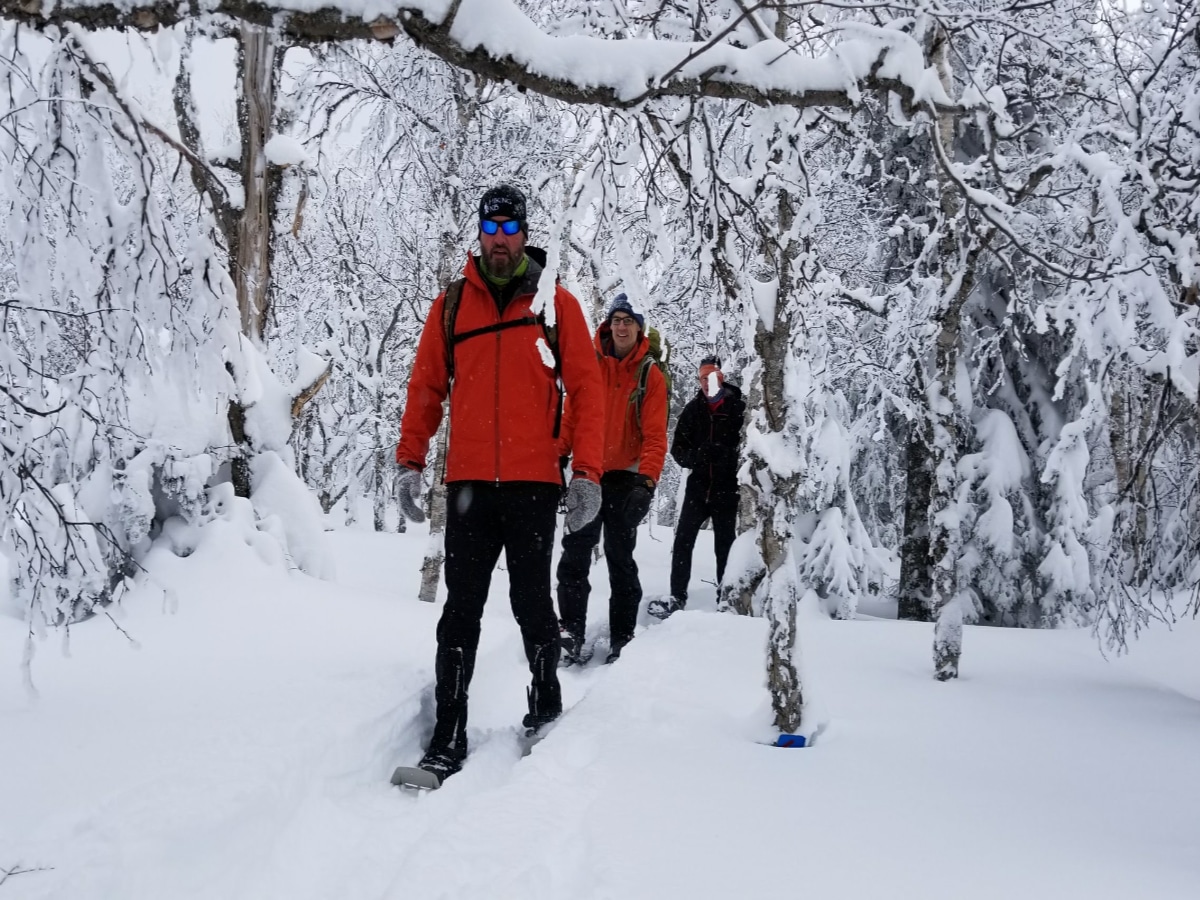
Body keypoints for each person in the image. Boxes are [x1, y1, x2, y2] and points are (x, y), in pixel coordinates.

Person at [394, 184, 604, 784]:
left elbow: (587, 395)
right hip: (468, 486)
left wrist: (586, 474)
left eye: (512, 230)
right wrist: (411, 461)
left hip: (533, 485)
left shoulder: (555, 306)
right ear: (480, 232)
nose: (501, 241)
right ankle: (447, 735)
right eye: (492, 229)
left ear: (525, 233)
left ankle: (544, 704)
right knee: (460, 611)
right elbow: (426, 387)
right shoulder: (453, 307)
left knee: (532, 603)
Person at [556, 294, 668, 665]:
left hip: (626, 479)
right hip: (587, 474)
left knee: (621, 559)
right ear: (608, 324)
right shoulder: (589, 364)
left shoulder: (649, 374)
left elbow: (655, 436)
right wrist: (558, 455)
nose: (621, 327)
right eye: (616, 320)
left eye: (628, 321)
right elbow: (571, 415)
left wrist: (647, 483)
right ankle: (570, 632)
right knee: (574, 556)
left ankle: (622, 636)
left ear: (639, 328)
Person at [648, 356, 745, 619]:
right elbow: (677, 449)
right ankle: (677, 598)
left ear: (721, 378)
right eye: (702, 378)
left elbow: (749, 447)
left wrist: (727, 456)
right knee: (683, 541)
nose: (706, 382)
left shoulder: (739, 407)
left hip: (727, 488)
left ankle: (726, 600)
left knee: (725, 545)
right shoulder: (693, 410)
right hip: (698, 487)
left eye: (711, 377)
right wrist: (698, 456)